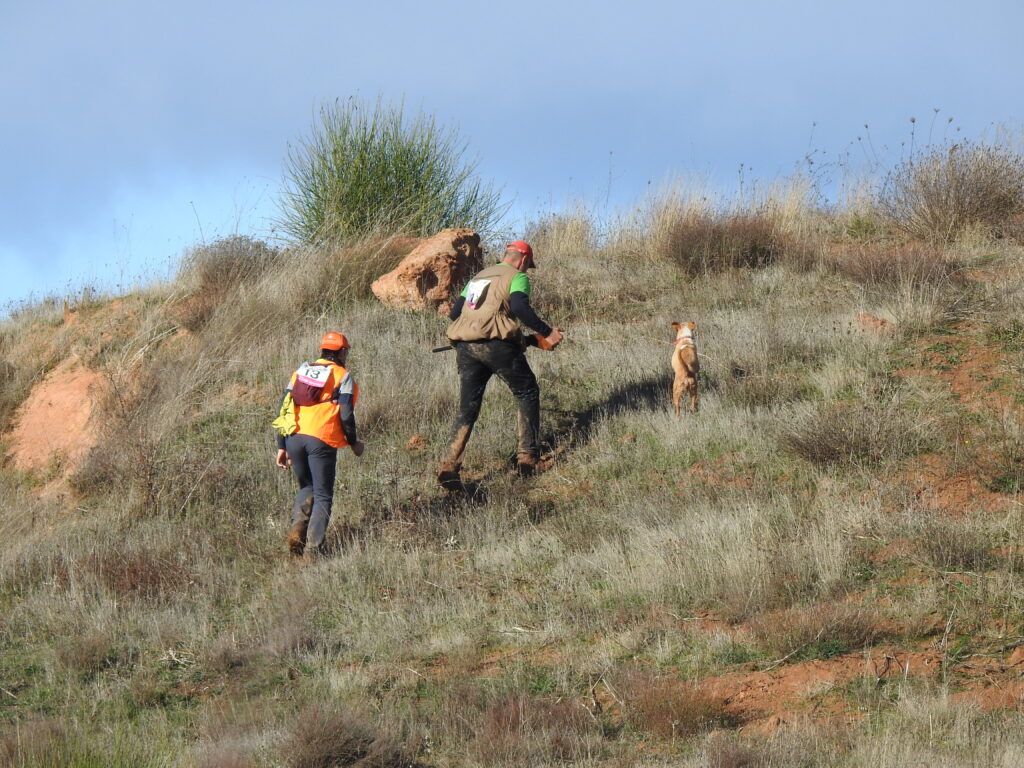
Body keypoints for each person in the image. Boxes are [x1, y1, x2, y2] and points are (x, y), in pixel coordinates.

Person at [438, 240, 563, 490]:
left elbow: (455, 314)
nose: (527, 270)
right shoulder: (517, 276)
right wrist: (547, 332)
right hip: (497, 347)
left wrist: (528, 339)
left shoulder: (478, 277)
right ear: (524, 259)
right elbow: (519, 307)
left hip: (465, 346)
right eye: (528, 266)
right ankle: (527, 459)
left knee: (468, 406)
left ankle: (449, 466)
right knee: (527, 392)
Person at [273, 331, 364, 559]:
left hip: (294, 436)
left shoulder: (300, 372)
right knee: (323, 494)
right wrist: (353, 442)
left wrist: (281, 445)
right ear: (342, 352)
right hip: (321, 438)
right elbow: (345, 414)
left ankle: (297, 530)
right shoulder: (342, 376)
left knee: (306, 487)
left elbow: (283, 407)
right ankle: (313, 551)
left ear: (323, 350)